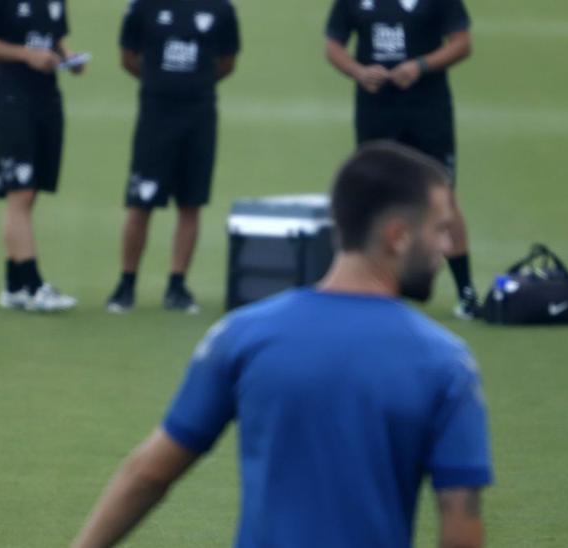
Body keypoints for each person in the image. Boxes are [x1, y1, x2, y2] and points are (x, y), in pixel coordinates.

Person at [74, 141, 492, 547]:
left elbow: (149, 475)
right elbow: (460, 532)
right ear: (398, 235)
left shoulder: (243, 335)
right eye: (440, 228)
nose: (447, 247)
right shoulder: (444, 362)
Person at [324, 0, 481, 318]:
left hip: (427, 110)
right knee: (374, 198)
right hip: (376, 111)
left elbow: (462, 44)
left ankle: (465, 290)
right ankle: (368, 285)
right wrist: (359, 71)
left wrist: (419, 66)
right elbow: (333, 45)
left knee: (443, 194)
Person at [104, 0, 241, 314]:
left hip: (199, 116)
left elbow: (228, 62)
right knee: (141, 202)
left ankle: (177, 284)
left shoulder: (221, 8)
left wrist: (195, 84)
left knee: (190, 202)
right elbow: (127, 57)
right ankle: (126, 283)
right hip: (155, 116)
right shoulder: (143, 6)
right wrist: (159, 82)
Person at [0, 0, 82, 312]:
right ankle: (33, 286)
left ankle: (14, 285)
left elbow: (53, 37)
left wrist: (67, 56)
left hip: (47, 100)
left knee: (30, 194)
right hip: (11, 102)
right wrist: (26, 55)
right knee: (21, 192)